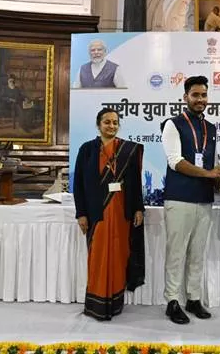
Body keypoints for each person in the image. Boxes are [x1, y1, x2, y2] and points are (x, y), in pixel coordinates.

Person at [161, 75, 220, 324]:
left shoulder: (211, 128)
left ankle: (193, 298)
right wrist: (208, 173)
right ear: (185, 97)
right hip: (179, 198)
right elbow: (175, 161)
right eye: (195, 95)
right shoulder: (172, 124)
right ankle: (172, 301)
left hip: (204, 199)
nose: (200, 99)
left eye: (204, 95)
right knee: (176, 253)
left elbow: (211, 164)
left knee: (198, 253)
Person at [73, 108, 145, 320]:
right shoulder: (87, 150)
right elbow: (78, 185)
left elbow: (136, 183)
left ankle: (115, 303)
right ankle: (96, 305)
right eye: (107, 122)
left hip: (122, 213)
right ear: (98, 125)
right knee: (98, 258)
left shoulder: (128, 150)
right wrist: (81, 213)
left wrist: (138, 208)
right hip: (97, 213)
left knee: (118, 257)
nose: (111, 126)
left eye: (115, 122)